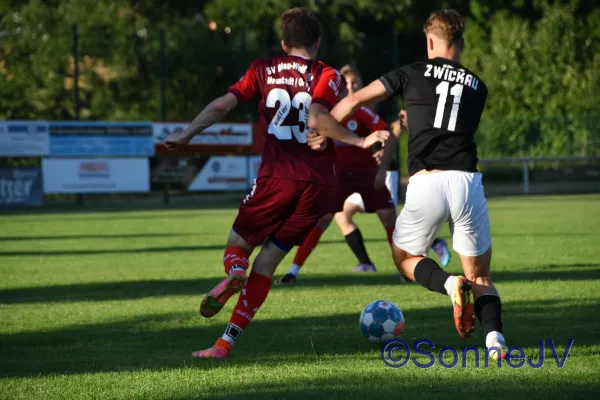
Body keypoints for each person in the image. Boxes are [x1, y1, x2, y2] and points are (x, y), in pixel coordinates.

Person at [164, 7, 389, 359]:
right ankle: (224, 343)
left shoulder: (261, 69)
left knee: (237, 245)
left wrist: (187, 134)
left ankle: (235, 272)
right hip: (318, 187)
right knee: (267, 265)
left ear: (284, 43)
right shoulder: (326, 73)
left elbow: (223, 106)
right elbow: (319, 117)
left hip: (277, 178)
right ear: (317, 42)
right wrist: (360, 141)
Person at [312, 9, 508, 360]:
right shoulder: (479, 86)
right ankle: (495, 342)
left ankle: (449, 284)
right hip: (466, 181)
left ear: (430, 41)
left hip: (426, 181)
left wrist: (322, 132)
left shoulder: (412, 72)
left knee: (404, 258)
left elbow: (354, 100)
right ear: (461, 44)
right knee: (481, 277)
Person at [277, 70, 450, 285]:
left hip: (368, 176)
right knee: (324, 219)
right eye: (346, 85)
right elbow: (313, 142)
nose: (350, 89)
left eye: (354, 84)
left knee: (389, 219)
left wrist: (382, 167)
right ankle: (293, 271)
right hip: (338, 178)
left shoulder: (362, 112)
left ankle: (406, 268)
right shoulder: (326, 115)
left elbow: (389, 135)